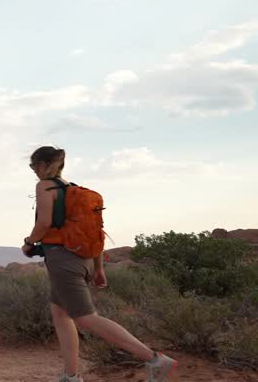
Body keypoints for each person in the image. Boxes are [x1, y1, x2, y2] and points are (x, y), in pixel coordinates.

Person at [22, 145, 177, 382]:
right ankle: (71, 376)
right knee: (60, 313)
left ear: (43, 165)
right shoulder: (73, 190)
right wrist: (98, 267)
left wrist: (28, 242)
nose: (33, 171)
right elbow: (96, 232)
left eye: (34, 166)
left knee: (85, 317)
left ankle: (154, 360)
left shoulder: (45, 186)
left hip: (63, 259)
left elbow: (43, 223)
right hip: (82, 258)